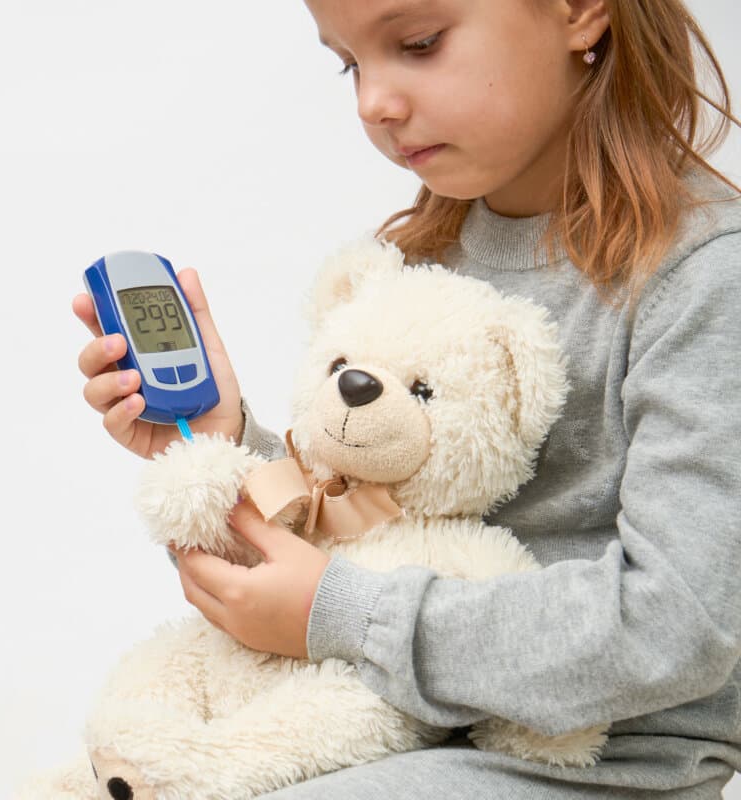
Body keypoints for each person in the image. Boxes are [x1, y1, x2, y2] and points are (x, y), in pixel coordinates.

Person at [73, 0, 741, 797]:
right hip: (388, 725)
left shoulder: (704, 280)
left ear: (580, 11)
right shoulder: (423, 256)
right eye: (351, 63)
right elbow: (377, 528)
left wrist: (346, 616)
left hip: (592, 763)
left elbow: (680, 624)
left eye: (419, 44)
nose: (373, 103)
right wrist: (227, 442)